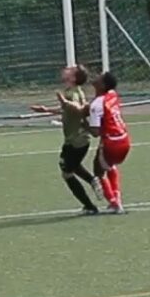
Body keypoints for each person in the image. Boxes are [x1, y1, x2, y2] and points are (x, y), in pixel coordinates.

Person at [31, 65, 99, 215]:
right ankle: (92, 181)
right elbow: (68, 111)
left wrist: (64, 102)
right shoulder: (76, 91)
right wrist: (47, 110)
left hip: (75, 141)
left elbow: (76, 109)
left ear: (73, 78)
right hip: (80, 140)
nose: (66, 69)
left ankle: (89, 206)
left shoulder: (71, 94)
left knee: (67, 173)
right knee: (72, 166)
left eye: (71, 70)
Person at [58, 71, 130, 214]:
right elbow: (86, 110)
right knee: (109, 166)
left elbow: (95, 132)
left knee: (98, 172)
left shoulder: (96, 105)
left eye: (99, 77)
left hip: (111, 141)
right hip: (124, 138)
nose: (95, 77)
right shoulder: (112, 95)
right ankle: (116, 199)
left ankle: (114, 203)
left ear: (102, 85)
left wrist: (83, 123)